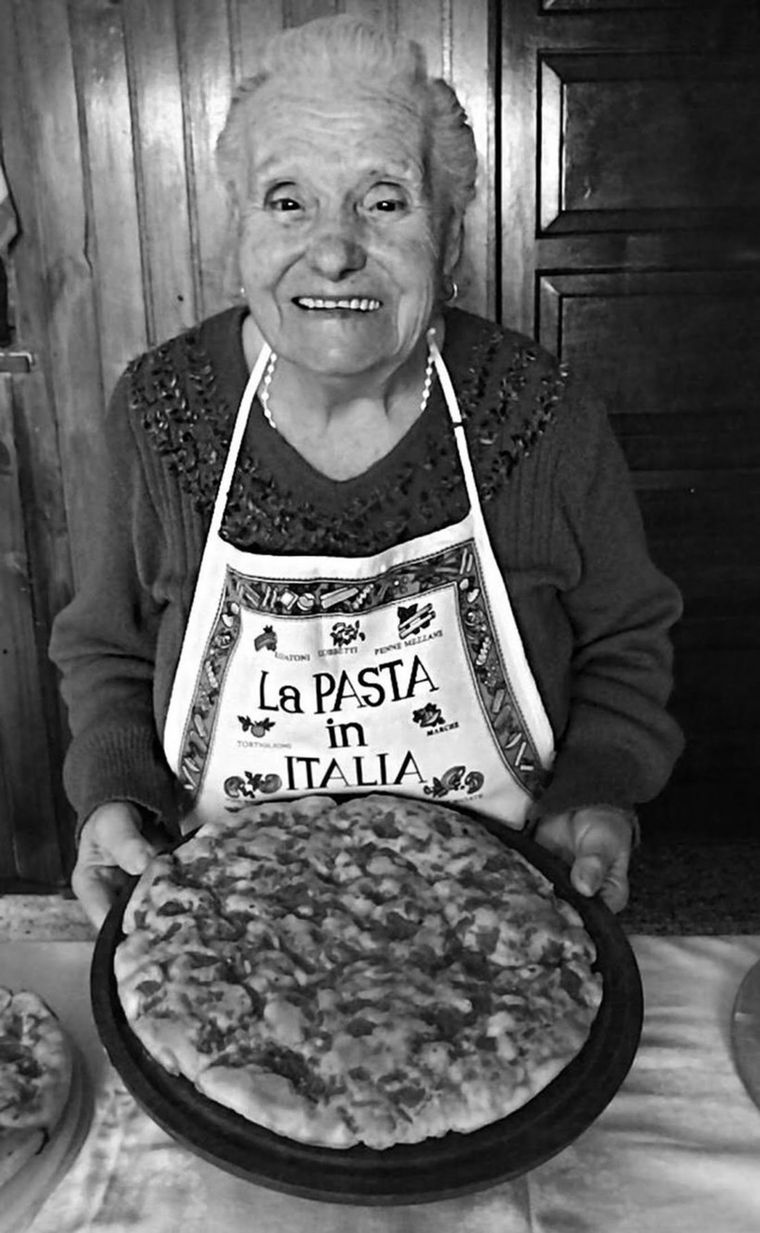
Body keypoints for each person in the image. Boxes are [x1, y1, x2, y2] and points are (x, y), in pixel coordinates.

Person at [49, 15, 683, 929]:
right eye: (287, 201)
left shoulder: (542, 410)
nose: (335, 247)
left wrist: (600, 788)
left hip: (498, 917)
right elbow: (107, 648)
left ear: (451, 237)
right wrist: (114, 792)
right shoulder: (159, 410)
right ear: (242, 235)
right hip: (230, 926)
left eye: (384, 201)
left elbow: (628, 640)